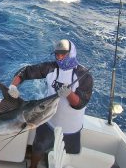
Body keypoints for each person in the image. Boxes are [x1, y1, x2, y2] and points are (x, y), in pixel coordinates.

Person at [8, 39, 93, 168]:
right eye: (57, 54)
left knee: (66, 159)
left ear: (71, 53)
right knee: (38, 147)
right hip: (47, 121)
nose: (59, 57)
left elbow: (80, 103)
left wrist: (69, 94)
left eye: (63, 54)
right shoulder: (50, 67)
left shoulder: (84, 76)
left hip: (71, 129)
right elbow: (25, 71)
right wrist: (13, 86)